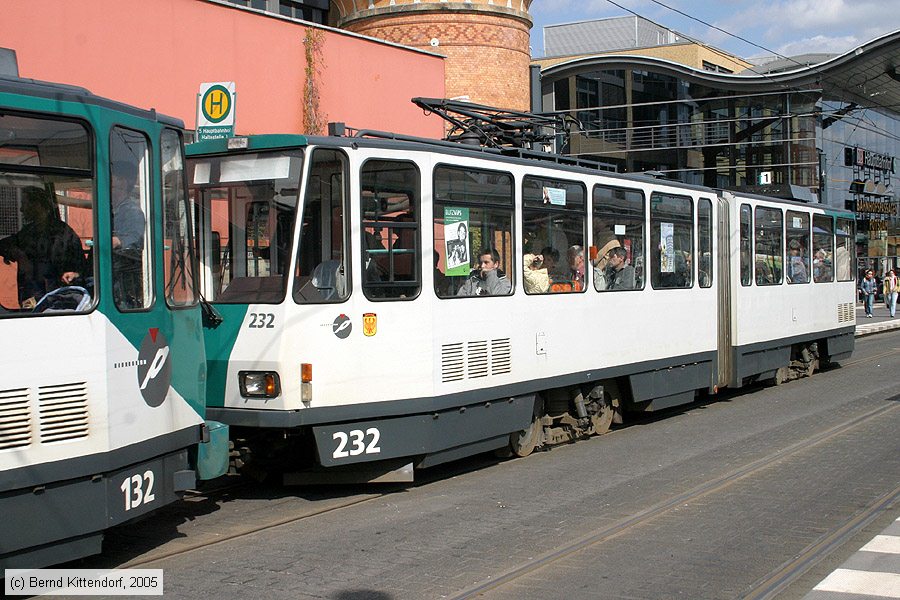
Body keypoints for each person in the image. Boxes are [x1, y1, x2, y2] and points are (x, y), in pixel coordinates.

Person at [0, 186, 86, 309]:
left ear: (38, 205)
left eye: (25, 204)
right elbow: (7, 244)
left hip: (55, 301)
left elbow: (79, 268)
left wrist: (74, 275)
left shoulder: (63, 233)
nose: (21, 209)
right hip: (30, 298)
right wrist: (17, 253)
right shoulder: (28, 231)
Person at [110, 160, 146, 307]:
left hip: (124, 285)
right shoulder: (109, 211)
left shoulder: (132, 211)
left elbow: (135, 238)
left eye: (111, 181)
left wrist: (118, 241)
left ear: (123, 183)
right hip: (109, 278)